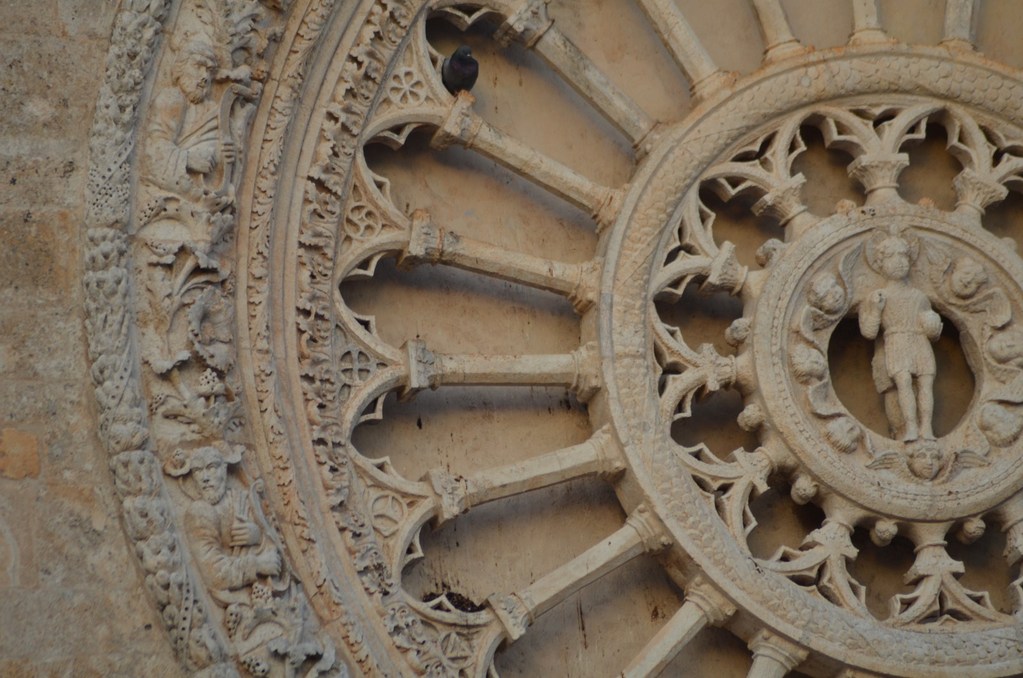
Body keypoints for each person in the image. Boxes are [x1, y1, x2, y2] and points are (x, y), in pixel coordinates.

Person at [859, 232, 942, 441]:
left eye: (903, 256)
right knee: (904, 383)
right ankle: (911, 427)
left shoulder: (919, 296)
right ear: (880, 263)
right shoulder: (878, 296)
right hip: (896, 342)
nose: (899, 262)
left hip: (919, 342)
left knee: (925, 384)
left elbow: (930, 326)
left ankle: (926, 428)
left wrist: (932, 324)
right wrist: (877, 310)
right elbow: (869, 332)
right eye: (891, 257)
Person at [179, 444, 281, 605]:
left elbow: (277, 539)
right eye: (198, 471)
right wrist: (258, 565)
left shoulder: (241, 499)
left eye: (211, 468)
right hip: (235, 600)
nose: (205, 478)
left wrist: (259, 536)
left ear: (225, 469)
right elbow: (214, 573)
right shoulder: (199, 512)